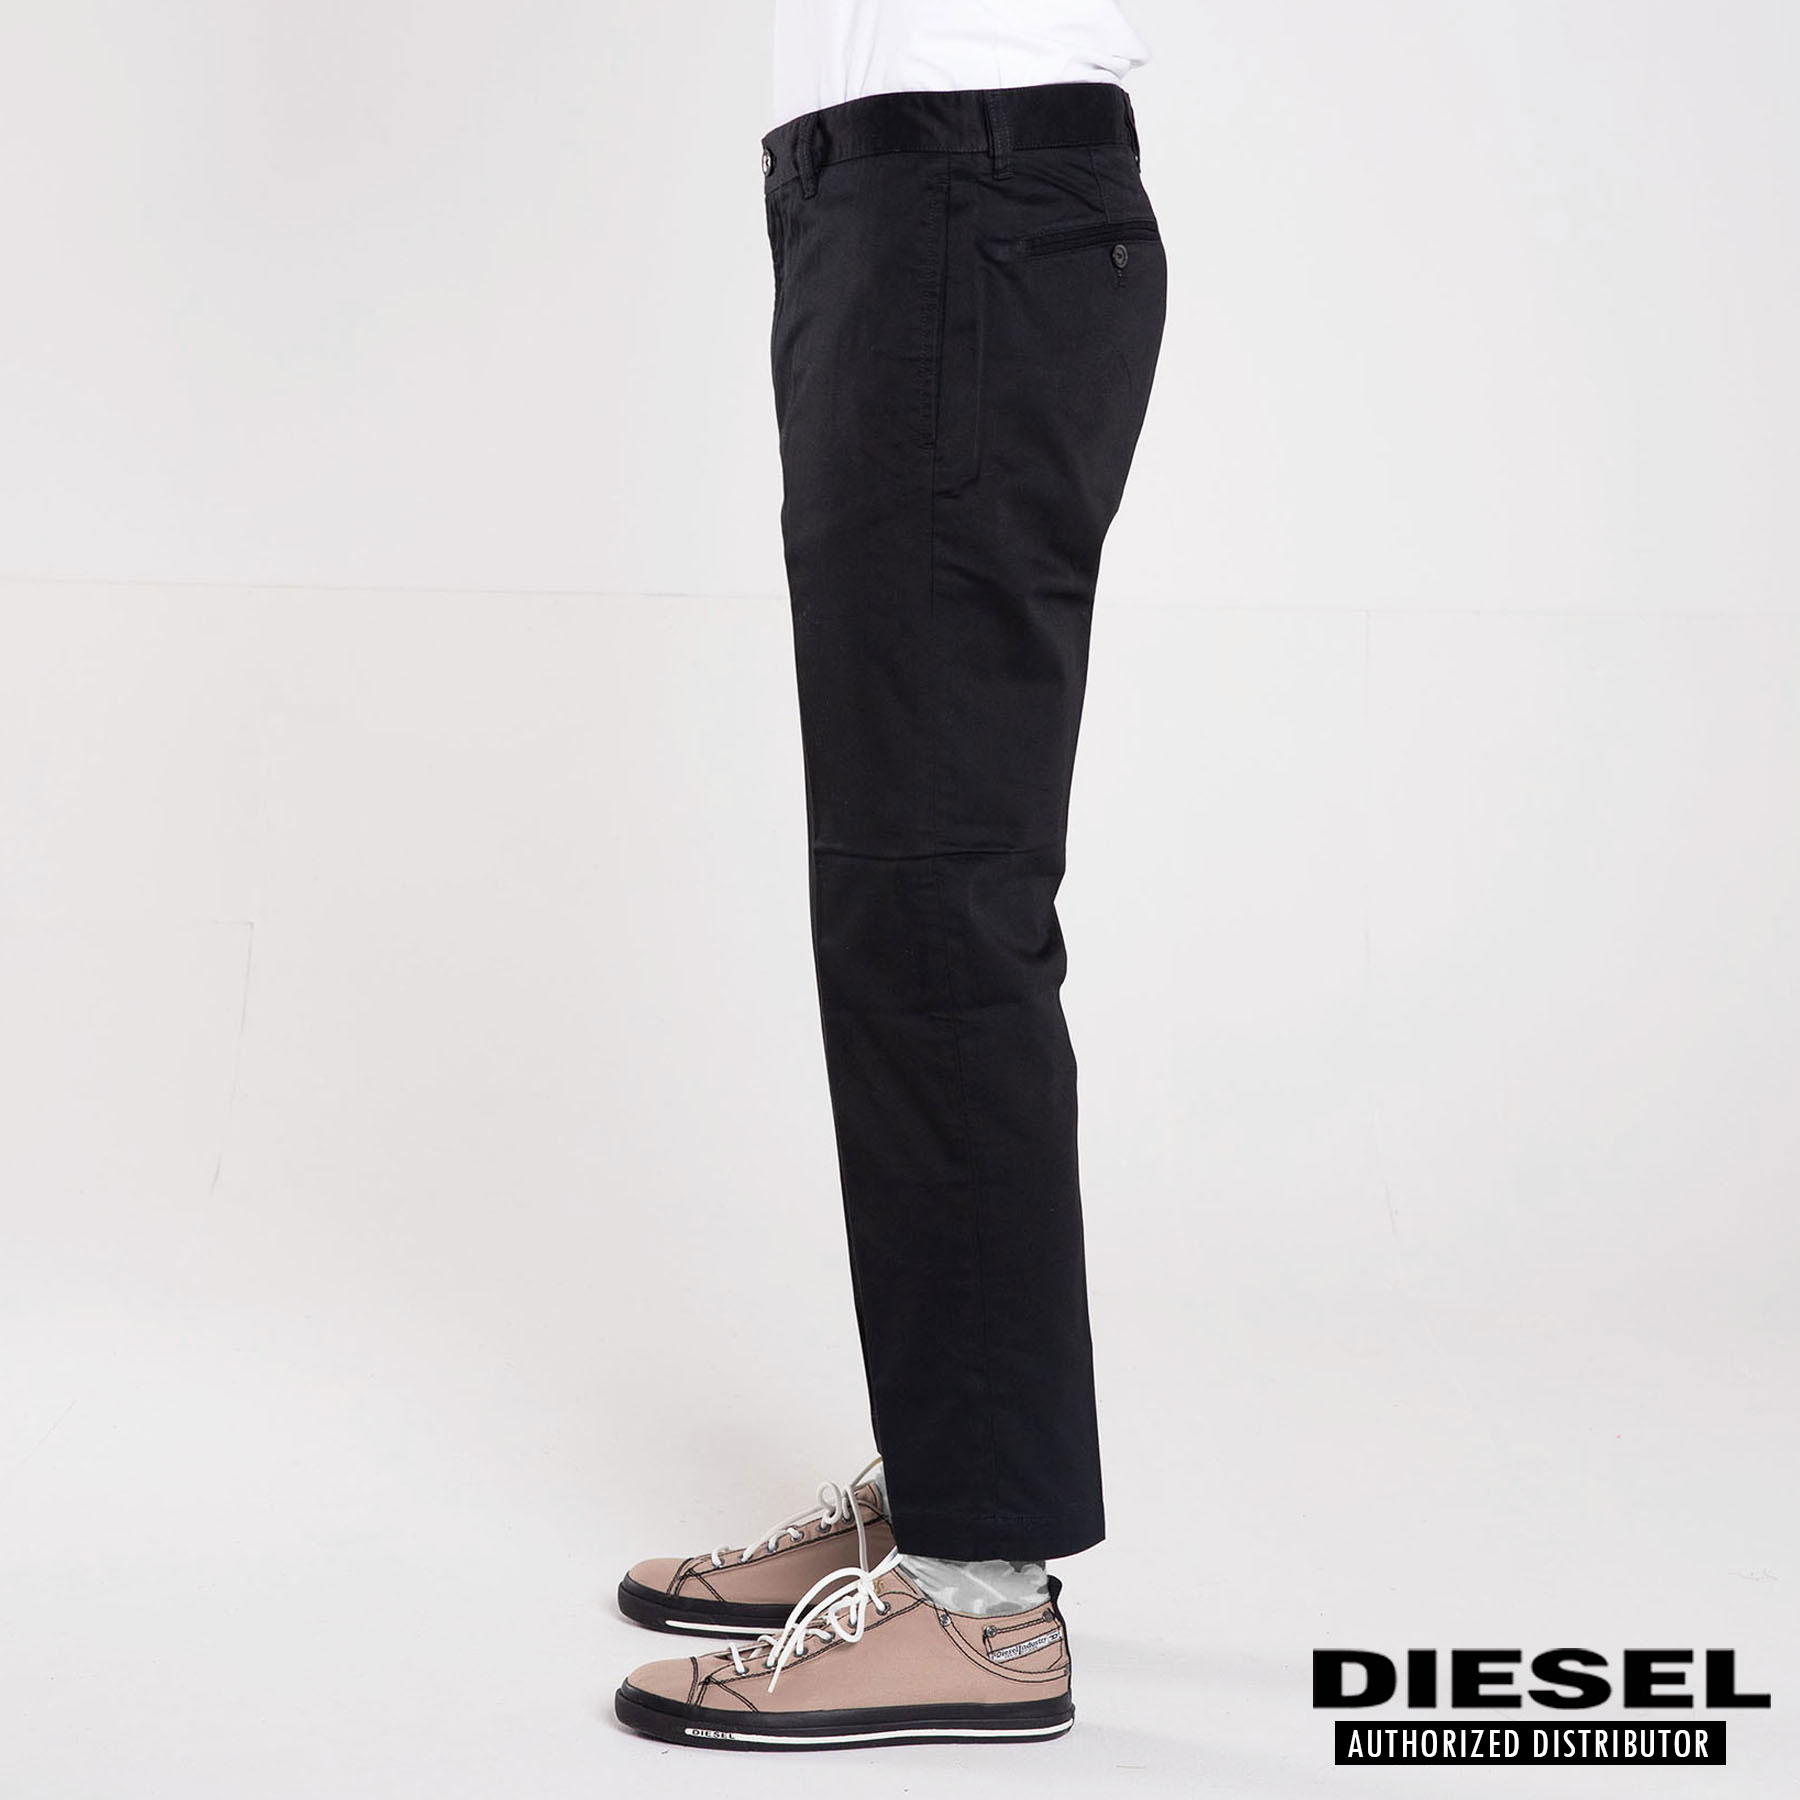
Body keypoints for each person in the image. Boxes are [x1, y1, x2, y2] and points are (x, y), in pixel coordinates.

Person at [614, 0, 1167, 1751]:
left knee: (935, 903)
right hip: (895, 208)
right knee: (901, 896)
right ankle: (949, 1483)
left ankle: (981, 1595)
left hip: (961, 200)